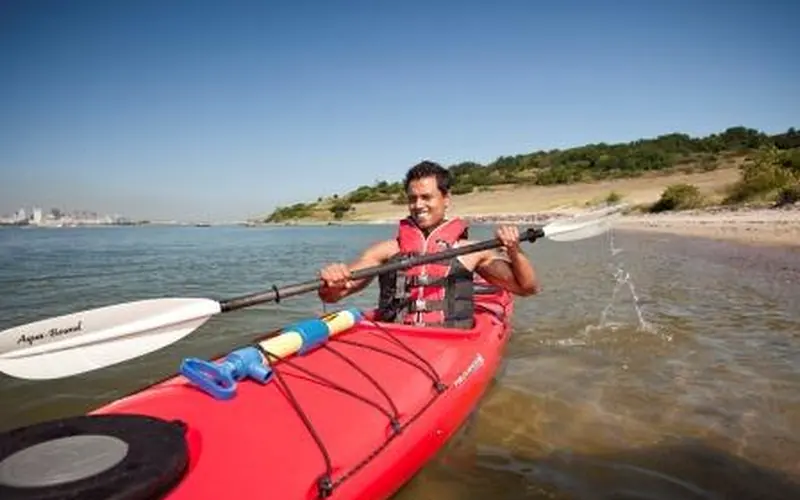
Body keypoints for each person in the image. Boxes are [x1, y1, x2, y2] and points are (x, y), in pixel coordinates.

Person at [318, 160, 540, 328]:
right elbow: (333, 295)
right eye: (412, 199)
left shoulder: (471, 251)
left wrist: (514, 249)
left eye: (426, 197)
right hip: (397, 339)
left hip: (450, 344)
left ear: (446, 199)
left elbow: (527, 288)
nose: (418, 205)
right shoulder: (385, 250)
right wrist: (334, 282)